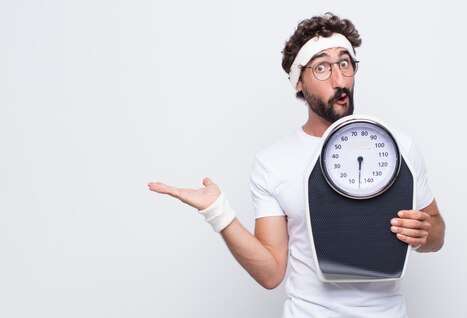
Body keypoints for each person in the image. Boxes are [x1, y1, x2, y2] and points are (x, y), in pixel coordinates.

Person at [148, 12, 445, 318]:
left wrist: (427, 233)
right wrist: (218, 212)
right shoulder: (272, 163)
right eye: (321, 68)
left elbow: (436, 231)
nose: (339, 79)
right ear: (298, 83)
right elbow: (271, 273)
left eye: (345, 63)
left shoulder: (399, 146)